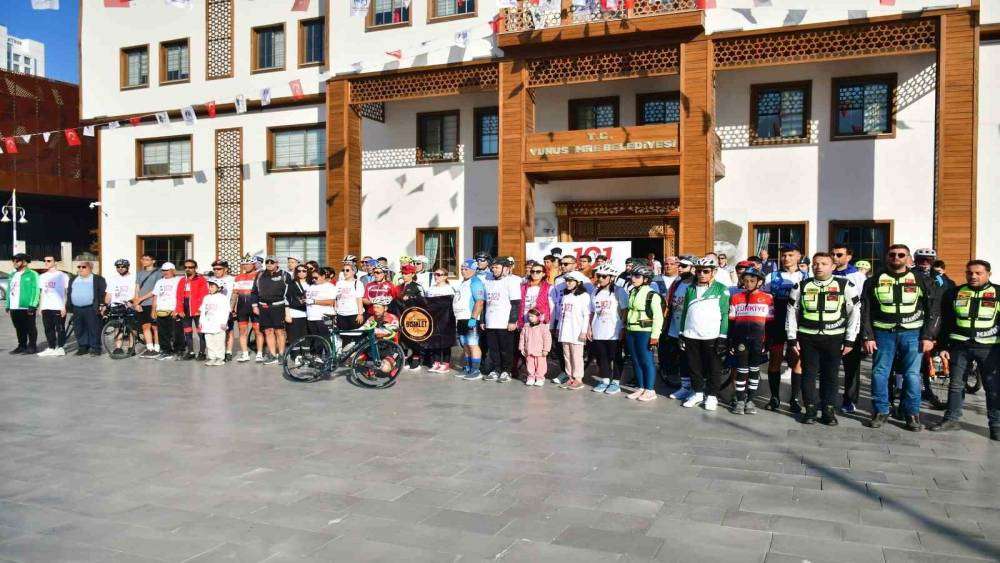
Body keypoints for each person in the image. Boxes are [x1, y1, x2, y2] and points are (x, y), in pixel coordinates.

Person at [862, 244, 940, 431]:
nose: (896, 258)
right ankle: (881, 411)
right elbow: (865, 310)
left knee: (912, 375)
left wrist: (929, 336)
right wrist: (867, 336)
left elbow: (933, 310)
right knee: (879, 373)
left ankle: (911, 413)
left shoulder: (921, 280)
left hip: (913, 334)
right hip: (883, 334)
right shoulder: (873, 280)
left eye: (901, 255)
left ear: (908, 258)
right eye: (892, 254)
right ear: (886, 257)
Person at [787, 253, 861, 426]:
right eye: (815, 264)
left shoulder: (845, 285)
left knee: (831, 375)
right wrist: (791, 337)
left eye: (824, 263)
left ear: (833, 266)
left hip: (834, 338)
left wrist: (850, 340)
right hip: (808, 338)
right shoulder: (801, 285)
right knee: (808, 374)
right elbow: (791, 312)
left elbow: (854, 312)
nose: (818, 267)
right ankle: (810, 409)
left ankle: (829, 410)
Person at [929, 260, 1000, 440]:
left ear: (989, 274)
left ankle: (996, 425)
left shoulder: (998, 293)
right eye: (969, 273)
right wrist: (942, 346)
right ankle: (951, 419)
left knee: (993, 388)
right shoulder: (954, 292)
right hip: (960, 346)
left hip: (989, 348)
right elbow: (946, 322)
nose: (973, 276)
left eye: (978, 273)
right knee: (955, 384)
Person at [679, 257, 729, 410]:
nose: (701, 274)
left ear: (713, 272)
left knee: (713, 367)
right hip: (691, 334)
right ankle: (698, 393)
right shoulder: (690, 288)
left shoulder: (721, 289)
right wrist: (681, 332)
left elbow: (725, 314)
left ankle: (712, 396)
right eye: (699, 271)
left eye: (706, 271)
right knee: (694, 367)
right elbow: (685, 311)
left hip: (711, 335)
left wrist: (723, 336)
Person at [763, 243, 807, 412]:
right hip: (776, 322)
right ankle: (774, 398)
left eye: (790, 255)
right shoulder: (771, 276)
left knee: (796, 360)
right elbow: (765, 300)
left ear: (798, 256)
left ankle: (794, 399)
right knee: (775, 359)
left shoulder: (806, 276)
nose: (786, 258)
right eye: (783, 255)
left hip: (798, 323)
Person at [727, 267, 773, 415]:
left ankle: (750, 400)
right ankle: (740, 400)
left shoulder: (768, 298)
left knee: (754, 370)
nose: (748, 283)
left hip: (758, 340)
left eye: (752, 281)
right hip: (740, 340)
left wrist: (768, 341)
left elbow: (770, 323)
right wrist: (730, 341)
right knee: (741, 370)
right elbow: (731, 322)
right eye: (746, 281)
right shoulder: (736, 297)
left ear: (759, 282)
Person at [830, 244, 868, 413]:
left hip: (852, 326)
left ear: (849, 257)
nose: (835, 257)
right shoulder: (827, 273)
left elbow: (863, 305)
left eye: (839, 255)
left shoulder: (858, 277)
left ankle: (850, 400)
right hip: (831, 326)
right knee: (828, 365)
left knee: (851, 367)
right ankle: (828, 398)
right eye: (833, 254)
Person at [624, 265, 665, 402]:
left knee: (647, 360)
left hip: (645, 331)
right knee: (635, 360)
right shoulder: (633, 291)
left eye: (637, 276)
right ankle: (641, 387)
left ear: (646, 279)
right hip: (631, 330)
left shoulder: (652, 295)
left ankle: (650, 390)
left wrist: (655, 336)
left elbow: (658, 317)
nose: (633, 278)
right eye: (632, 275)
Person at [589, 263, 628, 395]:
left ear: (611, 278)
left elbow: (625, 310)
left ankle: (615, 382)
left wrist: (623, 327)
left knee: (616, 356)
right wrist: (589, 328)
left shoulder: (619, 291)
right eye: (598, 276)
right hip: (598, 329)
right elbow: (592, 312)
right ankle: (604, 379)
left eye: (603, 276)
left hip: (614, 330)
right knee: (602, 356)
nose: (600, 278)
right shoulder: (595, 292)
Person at [482, 257, 520, 383]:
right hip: (490, 321)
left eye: (497, 267)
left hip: (504, 322)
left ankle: (506, 371)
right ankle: (496, 369)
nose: (494, 270)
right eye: (493, 267)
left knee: (506, 349)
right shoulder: (488, 281)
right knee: (493, 349)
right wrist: (482, 320)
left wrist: (512, 321)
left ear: (506, 268)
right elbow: (485, 303)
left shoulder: (511, 281)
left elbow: (515, 303)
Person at [252, 257, 291, 365]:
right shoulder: (260, 274)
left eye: (272, 262)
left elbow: (289, 293)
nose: (269, 264)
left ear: (277, 263)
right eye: (267, 262)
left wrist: (287, 308)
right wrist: (255, 306)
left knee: (279, 331)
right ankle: (273, 355)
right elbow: (254, 291)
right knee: (268, 331)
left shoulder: (284, 275)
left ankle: (281, 354)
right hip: (263, 307)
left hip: (278, 306)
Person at [666, 258, 696, 398]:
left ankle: (696, 389)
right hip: (675, 327)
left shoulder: (696, 284)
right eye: (679, 265)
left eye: (683, 266)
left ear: (692, 268)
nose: (679, 268)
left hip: (690, 328)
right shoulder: (677, 283)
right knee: (682, 359)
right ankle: (685, 387)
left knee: (693, 360)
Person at [557, 271, 592, 391]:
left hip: (576, 331)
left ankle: (578, 379)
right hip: (565, 330)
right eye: (567, 281)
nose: (568, 283)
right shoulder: (566, 296)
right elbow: (562, 314)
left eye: (571, 281)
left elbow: (586, 315)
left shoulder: (584, 296)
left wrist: (584, 331)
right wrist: (559, 328)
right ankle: (570, 377)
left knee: (576, 355)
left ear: (578, 282)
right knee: (567, 355)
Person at [454, 259, 486, 380]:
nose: (463, 271)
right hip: (461, 318)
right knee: (465, 345)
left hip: (470, 318)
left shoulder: (475, 282)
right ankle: (468, 368)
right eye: (462, 269)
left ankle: (476, 370)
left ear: (473, 270)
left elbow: (479, 301)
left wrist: (473, 318)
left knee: (473, 344)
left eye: (466, 269)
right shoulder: (464, 282)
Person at [66, 261, 106, 356]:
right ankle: (83, 347)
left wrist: (102, 305)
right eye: (79, 267)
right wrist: (69, 305)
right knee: (79, 328)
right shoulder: (73, 279)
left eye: (83, 267)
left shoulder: (97, 279)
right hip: (77, 308)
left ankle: (95, 348)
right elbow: (69, 292)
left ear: (90, 268)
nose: (80, 269)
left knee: (94, 328)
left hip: (91, 308)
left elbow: (102, 293)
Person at [175, 260, 209, 361]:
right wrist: (179, 309)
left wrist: (200, 309)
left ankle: (202, 353)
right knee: (187, 331)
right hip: (185, 308)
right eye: (186, 267)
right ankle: (190, 352)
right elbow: (178, 296)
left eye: (190, 267)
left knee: (200, 332)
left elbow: (204, 295)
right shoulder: (182, 280)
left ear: (195, 268)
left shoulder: (201, 279)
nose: (188, 269)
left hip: (197, 308)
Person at [425, 267, 457, 373]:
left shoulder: (449, 289)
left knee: (445, 341)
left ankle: (445, 363)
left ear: (445, 277)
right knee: (434, 340)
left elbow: (452, 304)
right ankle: (436, 362)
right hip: (433, 320)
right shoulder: (430, 289)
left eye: (439, 275)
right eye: (435, 274)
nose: (436, 276)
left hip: (446, 319)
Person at [7, 253, 40, 354]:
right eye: (13, 261)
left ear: (25, 262)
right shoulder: (12, 274)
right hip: (14, 307)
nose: (14, 263)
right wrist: (8, 304)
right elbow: (9, 290)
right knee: (19, 328)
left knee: (30, 327)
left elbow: (36, 290)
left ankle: (32, 346)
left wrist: (33, 305)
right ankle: (22, 345)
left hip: (27, 306)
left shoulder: (32, 274)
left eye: (17, 261)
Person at [37, 255, 69, 356]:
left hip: (58, 306)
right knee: (48, 328)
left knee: (60, 328)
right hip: (46, 306)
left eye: (49, 261)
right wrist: (40, 307)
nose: (46, 262)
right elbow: (42, 293)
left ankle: (60, 347)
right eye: (45, 261)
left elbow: (66, 292)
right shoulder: (42, 276)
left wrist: (64, 307)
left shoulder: (62, 276)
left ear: (55, 262)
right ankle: (51, 347)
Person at [233, 255, 263, 363]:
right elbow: (235, 294)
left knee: (258, 331)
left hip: (255, 305)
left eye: (248, 264)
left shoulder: (259, 275)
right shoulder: (238, 277)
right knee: (242, 331)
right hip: (242, 307)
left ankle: (259, 354)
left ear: (254, 264)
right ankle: (245, 354)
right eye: (244, 264)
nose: (246, 266)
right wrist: (232, 308)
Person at [397, 263, 426, 369]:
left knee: (414, 339)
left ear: (413, 274)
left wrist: (411, 298)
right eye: (403, 273)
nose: (404, 275)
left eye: (406, 273)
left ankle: (416, 360)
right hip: (401, 316)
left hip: (414, 317)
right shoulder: (399, 287)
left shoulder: (417, 286)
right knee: (403, 340)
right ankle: (404, 360)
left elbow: (423, 301)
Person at [151, 263, 183, 361]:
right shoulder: (159, 282)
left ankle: (179, 351)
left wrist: (177, 309)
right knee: (162, 333)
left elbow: (181, 296)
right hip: (161, 310)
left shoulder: (179, 280)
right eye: (163, 270)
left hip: (173, 310)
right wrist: (153, 310)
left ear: (173, 270)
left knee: (176, 332)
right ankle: (166, 351)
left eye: (167, 270)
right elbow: (155, 296)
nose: (165, 272)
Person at [133, 253, 162, 358]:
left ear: (153, 261)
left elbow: (156, 289)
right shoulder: (139, 273)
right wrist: (136, 302)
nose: (144, 261)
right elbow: (137, 288)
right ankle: (149, 348)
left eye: (147, 259)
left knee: (155, 327)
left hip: (153, 302)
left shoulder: (158, 273)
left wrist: (141, 298)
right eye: (143, 259)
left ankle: (157, 348)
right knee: (145, 326)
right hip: (142, 304)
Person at [206, 260, 235, 362]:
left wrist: (232, 308)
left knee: (229, 331)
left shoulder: (232, 279)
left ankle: (228, 352)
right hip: (213, 311)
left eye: (219, 269)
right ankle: (216, 353)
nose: (216, 271)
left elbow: (235, 294)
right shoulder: (210, 280)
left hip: (226, 309)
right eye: (214, 269)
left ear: (225, 269)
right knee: (215, 332)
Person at [335, 261, 366, 349]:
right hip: (341, 314)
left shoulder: (358, 283)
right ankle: (345, 355)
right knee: (344, 337)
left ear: (353, 272)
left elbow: (359, 299)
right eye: (343, 270)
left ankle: (357, 355)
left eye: (347, 270)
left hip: (354, 313)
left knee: (356, 337)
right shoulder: (339, 283)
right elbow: (336, 298)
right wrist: (336, 311)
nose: (345, 272)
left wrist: (360, 314)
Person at [198, 280, 230, 366]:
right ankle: (212, 358)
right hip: (208, 324)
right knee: (209, 342)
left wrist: (224, 322)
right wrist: (201, 322)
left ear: (219, 288)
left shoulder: (223, 298)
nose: (210, 288)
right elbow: (203, 311)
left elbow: (226, 311)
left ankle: (220, 358)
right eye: (209, 286)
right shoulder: (206, 298)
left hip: (218, 324)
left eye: (212, 286)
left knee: (219, 342)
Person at [519, 308, 552, 387]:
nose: (530, 318)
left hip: (540, 351)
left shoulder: (543, 327)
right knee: (530, 364)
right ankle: (531, 377)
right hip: (529, 350)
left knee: (540, 365)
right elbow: (522, 338)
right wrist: (522, 348)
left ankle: (540, 378)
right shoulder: (526, 327)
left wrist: (546, 349)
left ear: (538, 317)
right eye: (529, 316)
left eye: (532, 316)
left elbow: (547, 339)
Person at [305, 267, 337, 338]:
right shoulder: (311, 286)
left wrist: (314, 301)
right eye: (312, 278)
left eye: (316, 278)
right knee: (316, 340)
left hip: (325, 317)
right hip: (311, 317)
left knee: (326, 339)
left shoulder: (330, 287)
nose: (313, 279)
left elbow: (331, 302)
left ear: (323, 276)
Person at [285, 264, 310, 345]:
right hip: (294, 313)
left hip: (309, 314)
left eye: (304, 271)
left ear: (307, 272)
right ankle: (295, 352)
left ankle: (306, 352)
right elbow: (286, 299)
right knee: (294, 337)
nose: (301, 273)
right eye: (299, 271)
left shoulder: (312, 283)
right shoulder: (291, 284)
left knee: (306, 338)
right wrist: (287, 315)